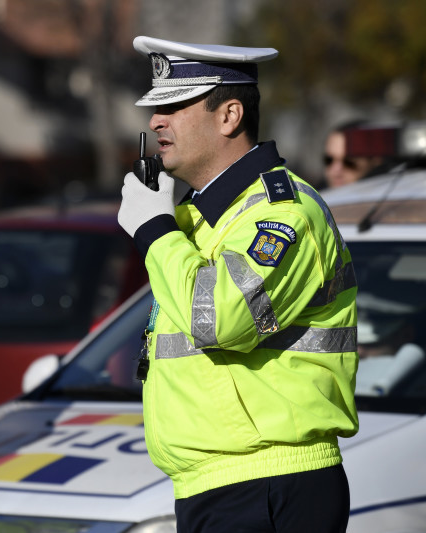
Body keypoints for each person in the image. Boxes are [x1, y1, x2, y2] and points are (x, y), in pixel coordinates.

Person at [117, 37, 359, 533]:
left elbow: (221, 319)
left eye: (174, 106)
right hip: (221, 484)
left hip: (270, 482)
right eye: (156, 108)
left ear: (229, 116)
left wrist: (155, 231)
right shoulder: (198, 219)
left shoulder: (284, 212)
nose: (156, 121)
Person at [322, 120, 386, 188]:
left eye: (348, 162)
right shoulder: (317, 191)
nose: (336, 172)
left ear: (376, 160)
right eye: (329, 160)